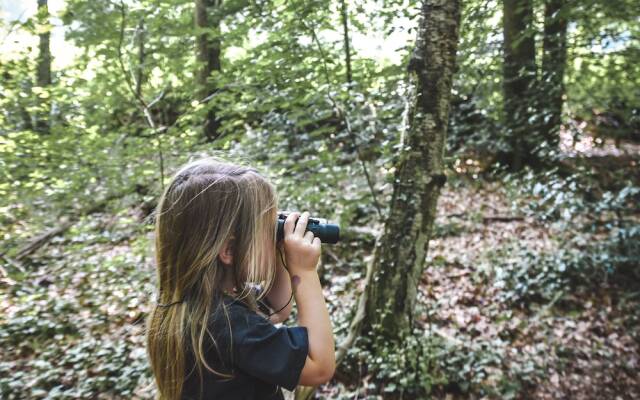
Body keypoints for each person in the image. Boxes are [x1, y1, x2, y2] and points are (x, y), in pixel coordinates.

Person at [145, 157, 336, 400]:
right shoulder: (229, 325)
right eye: (265, 232)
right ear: (230, 251)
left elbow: (277, 309)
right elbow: (319, 367)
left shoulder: (195, 307)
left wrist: (280, 252)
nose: (271, 237)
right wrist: (305, 272)